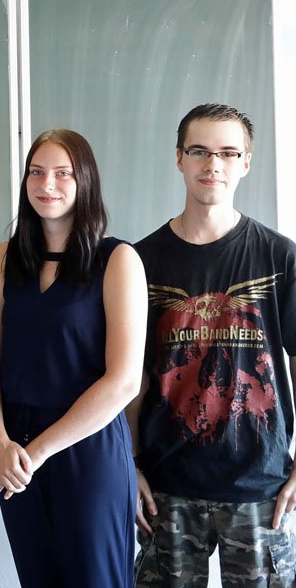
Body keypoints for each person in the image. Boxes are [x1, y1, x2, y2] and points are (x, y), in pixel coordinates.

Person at [0, 129, 146, 587]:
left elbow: (123, 381)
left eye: (63, 173)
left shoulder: (117, 259)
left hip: (86, 451)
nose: (47, 184)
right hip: (15, 455)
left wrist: (36, 452)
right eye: (37, 172)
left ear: (84, 181)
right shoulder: (6, 258)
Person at [130, 104, 296, 587]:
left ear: (246, 162)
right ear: (179, 158)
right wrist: (130, 464)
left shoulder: (279, 257)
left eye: (228, 152)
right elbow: (131, 377)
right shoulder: (140, 262)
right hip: (166, 486)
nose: (213, 164)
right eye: (200, 151)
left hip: (259, 485)